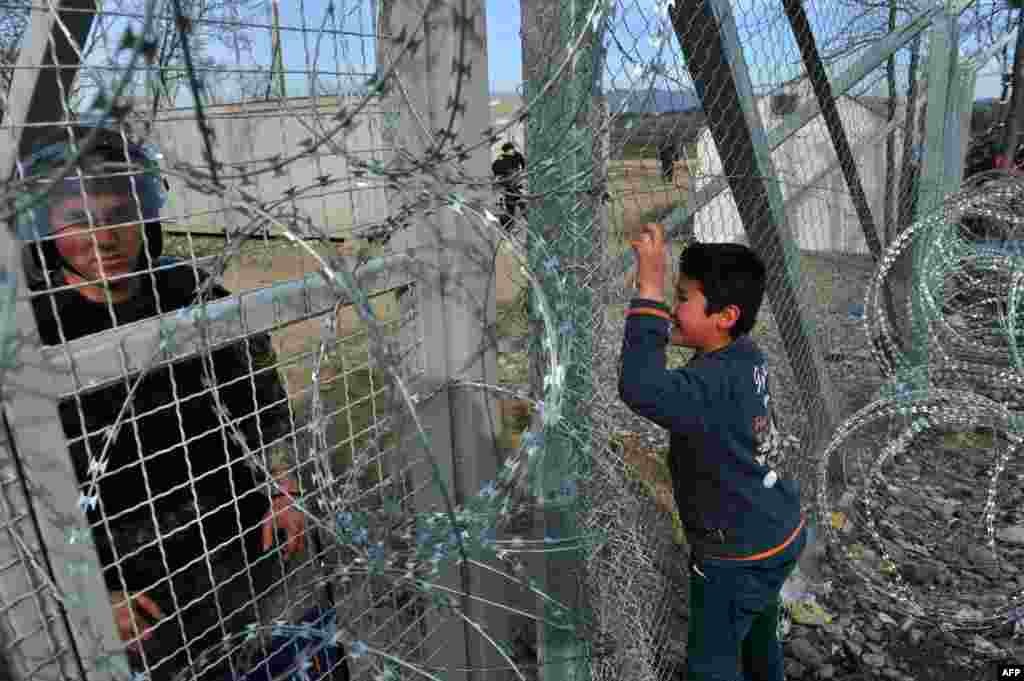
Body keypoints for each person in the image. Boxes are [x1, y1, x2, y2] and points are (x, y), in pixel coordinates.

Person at [15, 125, 315, 681]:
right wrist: (84, 591)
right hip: (128, 589)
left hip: (238, 542)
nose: (102, 237)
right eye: (77, 220)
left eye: (117, 215)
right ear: (45, 230)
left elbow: (259, 403)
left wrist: (283, 488)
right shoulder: (29, 331)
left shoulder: (188, 294)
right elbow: (18, 496)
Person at [618, 225, 807, 681]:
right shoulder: (746, 355)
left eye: (681, 298)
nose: (671, 306)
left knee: (711, 664)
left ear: (725, 316)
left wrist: (648, 289)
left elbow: (640, 387)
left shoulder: (709, 386)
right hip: (777, 530)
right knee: (757, 635)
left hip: (735, 557)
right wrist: (671, 312)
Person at [491, 141, 526, 232]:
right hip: (507, 181)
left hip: (515, 180)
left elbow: (523, 164)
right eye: (508, 151)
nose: (511, 152)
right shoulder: (502, 157)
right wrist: (502, 175)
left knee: (518, 198)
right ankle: (508, 226)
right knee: (511, 201)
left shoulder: (517, 155)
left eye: (511, 150)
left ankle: (520, 215)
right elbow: (495, 166)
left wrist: (520, 171)